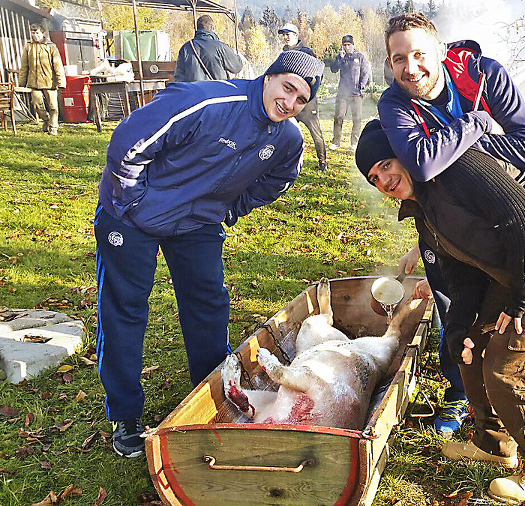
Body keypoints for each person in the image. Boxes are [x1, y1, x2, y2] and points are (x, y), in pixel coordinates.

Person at [356, 120, 525, 503]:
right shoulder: (423, 208)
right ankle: (494, 444)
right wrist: (458, 326)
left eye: (386, 165)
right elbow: (462, 275)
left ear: (406, 155)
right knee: (469, 342)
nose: (384, 180)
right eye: (374, 178)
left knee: (507, 368)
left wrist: (520, 299)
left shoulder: (456, 166)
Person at [379, 6, 525, 451]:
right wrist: (473, 128)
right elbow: (420, 162)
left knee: (515, 342)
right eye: (399, 58)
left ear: (440, 51)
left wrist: (457, 140)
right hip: (473, 214)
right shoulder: (394, 102)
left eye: (419, 54)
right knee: (467, 309)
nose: (410, 67)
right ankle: (489, 437)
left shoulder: (484, 76)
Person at [95, 50, 324, 458]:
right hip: (130, 217)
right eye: (287, 88)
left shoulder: (288, 139)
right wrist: (131, 203)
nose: (289, 104)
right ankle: (125, 415)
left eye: (301, 100)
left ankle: (211, 389)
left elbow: (280, 179)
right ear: (269, 76)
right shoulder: (207, 102)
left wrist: (227, 208)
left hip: (197, 223)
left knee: (208, 304)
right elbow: (129, 142)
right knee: (125, 310)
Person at [279, 23, 327, 170]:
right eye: (284, 34)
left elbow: (319, 74)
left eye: (288, 34)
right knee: (285, 133)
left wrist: (309, 93)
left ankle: (323, 162)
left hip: (307, 103)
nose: (286, 37)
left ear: (296, 35)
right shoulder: (284, 53)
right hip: (289, 102)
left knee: (315, 132)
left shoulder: (306, 52)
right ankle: (285, 163)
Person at [19, 23, 65, 135]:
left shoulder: (51, 46)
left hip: (49, 81)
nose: (34, 35)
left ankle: (53, 128)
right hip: (34, 82)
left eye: (37, 33)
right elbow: (24, 66)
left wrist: (61, 82)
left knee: (53, 106)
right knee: (36, 104)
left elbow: (58, 65)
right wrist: (21, 83)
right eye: (33, 33)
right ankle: (46, 120)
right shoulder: (28, 46)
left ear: (43, 33)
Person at [329, 35, 371, 149]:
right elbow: (333, 69)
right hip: (343, 93)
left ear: (353, 45)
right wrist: (340, 58)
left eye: (349, 45)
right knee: (338, 117)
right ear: (342, 46)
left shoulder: (359, 57)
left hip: (356, 94)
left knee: (357, 118)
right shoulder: (341, 57)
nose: (347, 47)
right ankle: (336, 142)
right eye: (345, 45)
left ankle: (354, 142)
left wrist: (361, 86)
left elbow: (365, 73)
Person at [174, 15, 243, 82]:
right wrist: (238, 56)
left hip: (194, 91)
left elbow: (179, 77)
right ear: (211, 28)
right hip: (217, 91)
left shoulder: (186, 48)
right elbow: (237, 67)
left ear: (197, 29)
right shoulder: (221, 47)